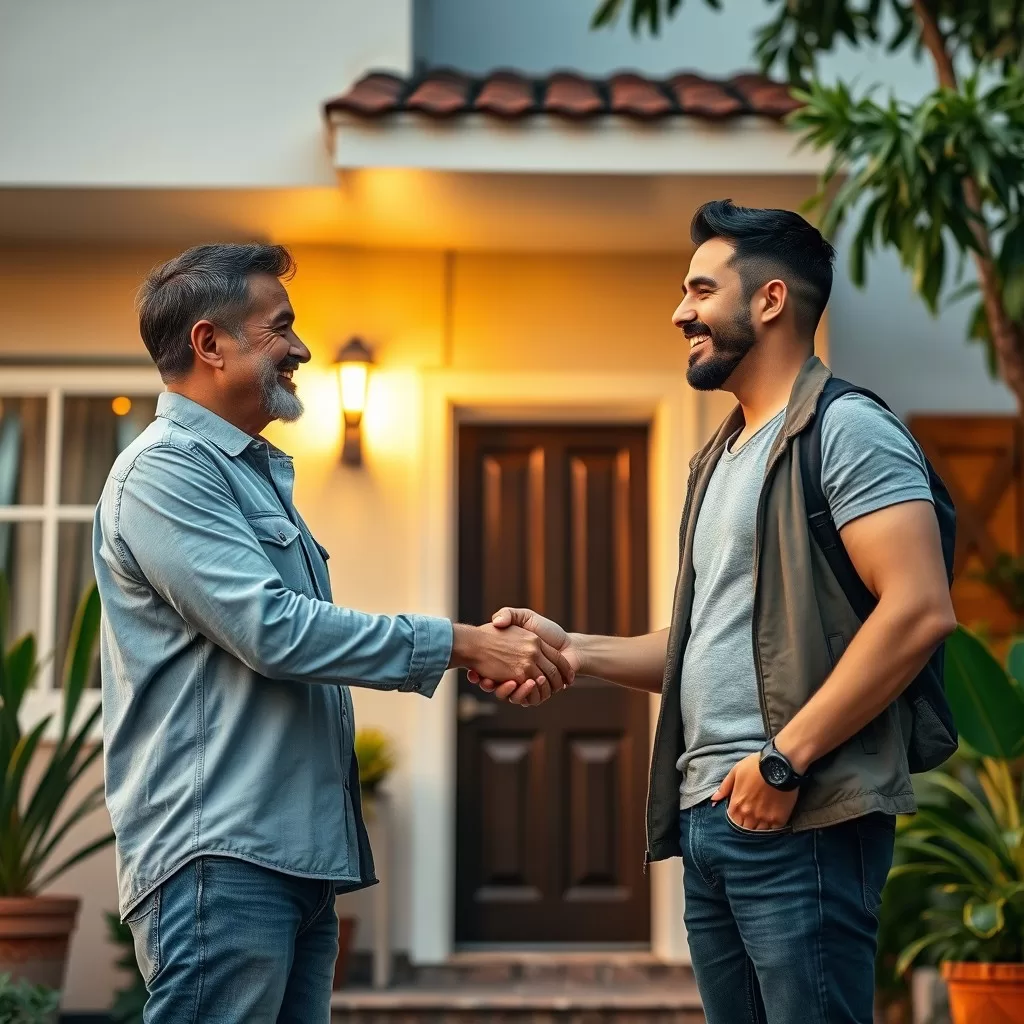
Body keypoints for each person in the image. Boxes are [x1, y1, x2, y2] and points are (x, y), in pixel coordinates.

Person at [470, 201, 956, 1024]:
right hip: (714, 815)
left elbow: (917, 610)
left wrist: (782, 763)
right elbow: (711, 645)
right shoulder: (721, 455)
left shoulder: (844, 431)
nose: (680, 311)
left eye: (700, 289)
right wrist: (574, 652)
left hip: (803, 814)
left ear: (769, 301)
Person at [93, 243, 570, 1024]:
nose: (301, 348)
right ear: (210, 344)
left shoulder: (246, 475)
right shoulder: (164, 473)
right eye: (280, 327)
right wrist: (462, 642)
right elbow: (274, 631)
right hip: (223, 857)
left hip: (289, 861)